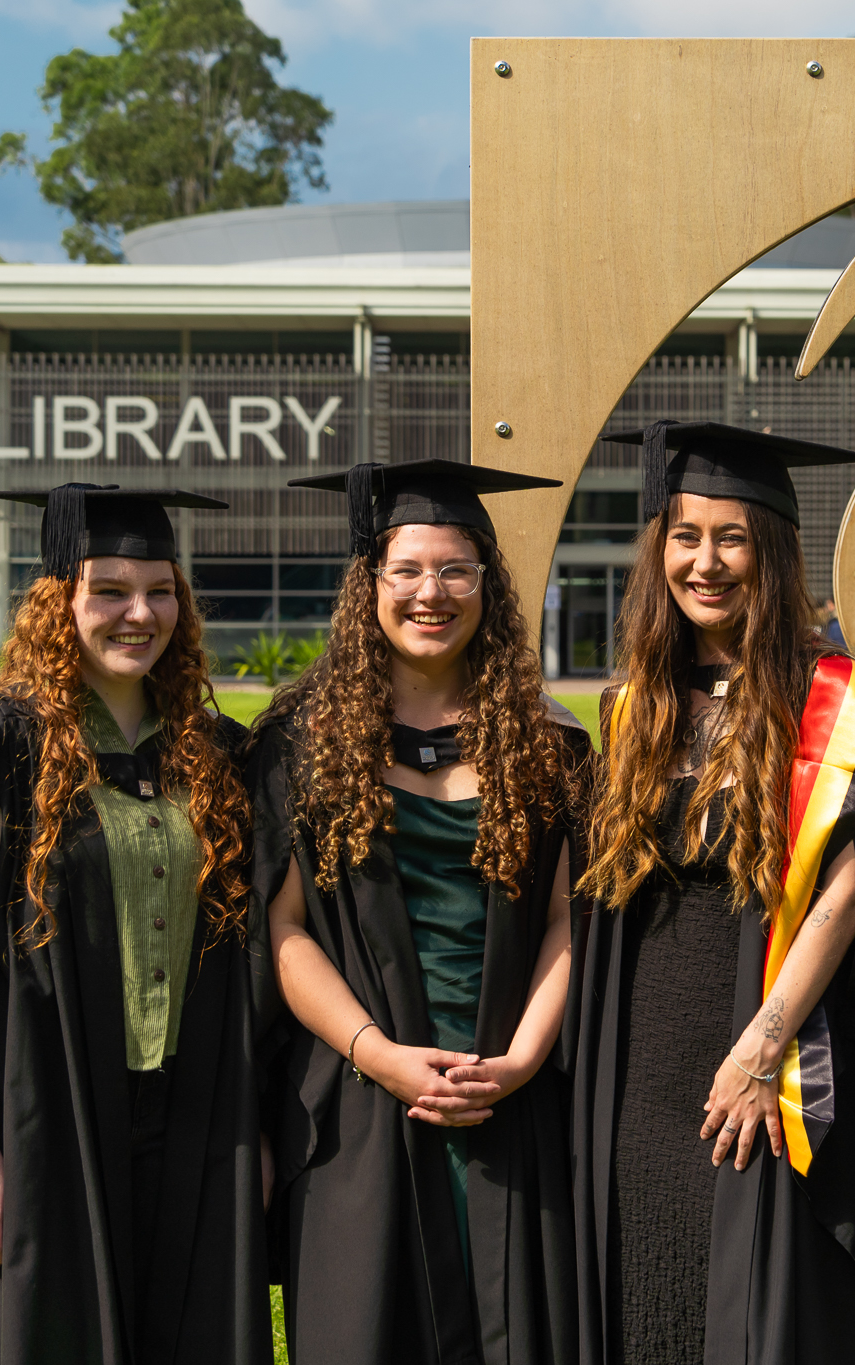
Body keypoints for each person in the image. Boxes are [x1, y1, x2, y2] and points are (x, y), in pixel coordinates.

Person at [0, 484, 277, 1363]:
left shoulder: (213, 751)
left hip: (198, 1120)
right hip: (51, 1109)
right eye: (108, 589)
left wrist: (256, 1132)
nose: (138, 612)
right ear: (57, 600)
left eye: (160, 589)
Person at [574, 421, 855, 1365]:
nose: (706, 561)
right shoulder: (634, 703)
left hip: (764, 1051)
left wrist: (761, 1052)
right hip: (640, 1068)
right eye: (685, 536)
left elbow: (845, 897)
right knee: (648, 1297)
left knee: (755, 1301)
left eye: (732, 537)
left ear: (769, 549)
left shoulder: (837, 704)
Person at [247, 460, 584, 1365]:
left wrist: (516, 1063)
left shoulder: (551, 747)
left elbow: (567, 922)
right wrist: (379, 1054)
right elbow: (282, 929)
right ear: (371, 585)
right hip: (361, 1102)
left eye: (455, 570)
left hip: (509, 1107)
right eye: (406, 570)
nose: (430, 593)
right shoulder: (299, 741)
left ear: (487, 586)